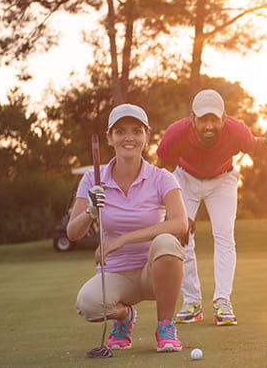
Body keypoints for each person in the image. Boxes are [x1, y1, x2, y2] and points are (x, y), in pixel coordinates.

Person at [155, 89, 267, 326]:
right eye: (203, 119)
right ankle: (192, 302)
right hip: (185, 179)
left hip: (222, 180)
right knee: (181, 236)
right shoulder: (176, 133)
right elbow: (162, 169)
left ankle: (222, 301)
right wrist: (173, 210)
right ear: (192, 118)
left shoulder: (236, 130)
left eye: (214, 119)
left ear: (224, 118)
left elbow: (259, 146)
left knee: (224, 234)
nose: (208, 125)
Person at [67, 104, 189, 352]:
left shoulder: (162, 177)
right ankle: (124, 317)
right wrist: (90, 211)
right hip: (117, 274)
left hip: (153, 272)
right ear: (110, 138)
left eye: (136, 130)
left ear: (146, 137)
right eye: (120, 131)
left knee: (166, 241)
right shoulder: (92, 178)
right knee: (88, 305)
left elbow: (180, 223)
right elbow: (73, 233)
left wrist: (123, 240)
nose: (129, 137)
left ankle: (165, 326)